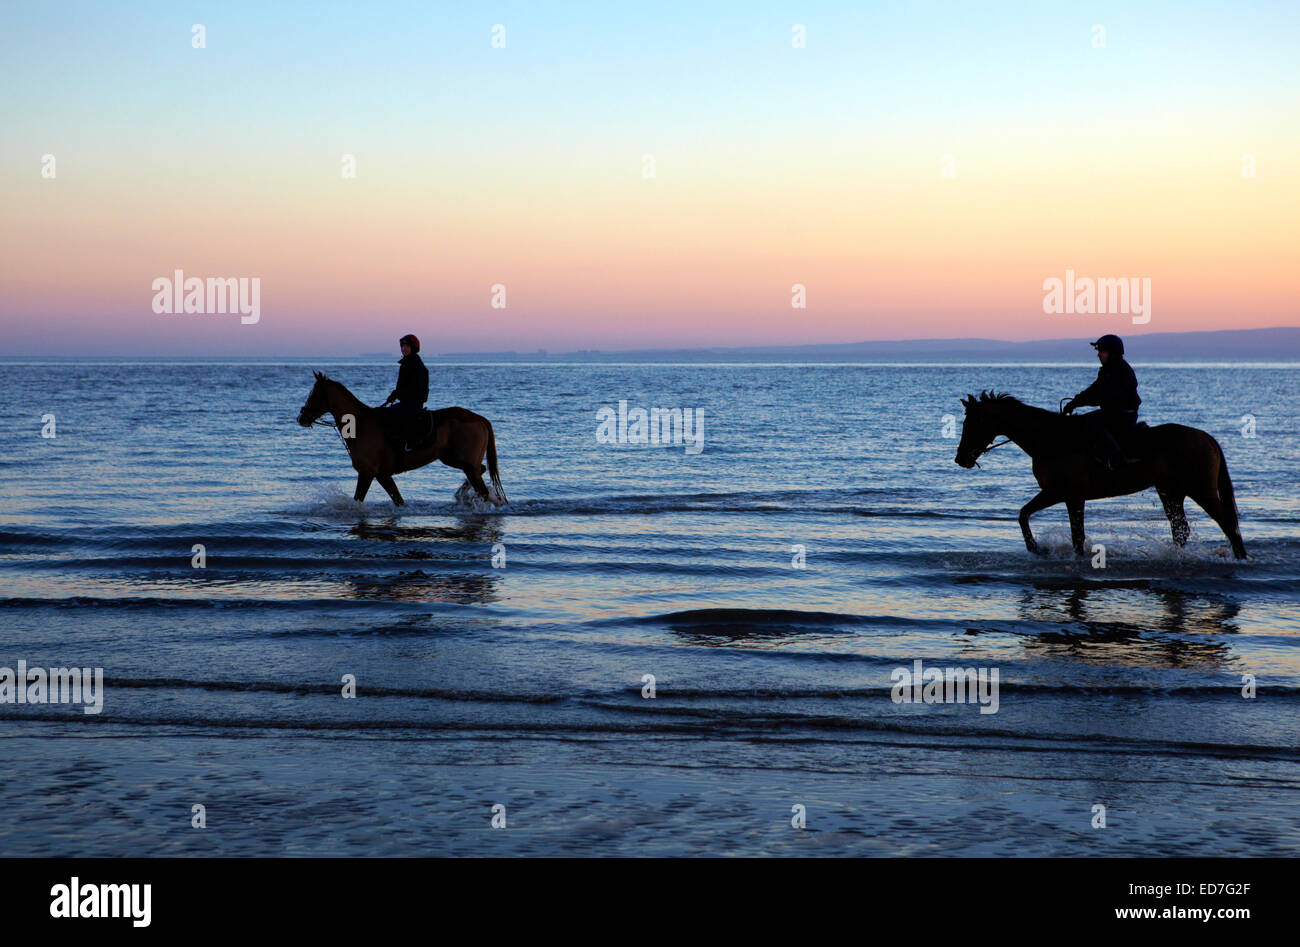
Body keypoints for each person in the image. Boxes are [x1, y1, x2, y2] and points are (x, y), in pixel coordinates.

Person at [1063, 334, 1141, 470]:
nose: (1098, 355)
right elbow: (1094, 389)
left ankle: (1119, 461)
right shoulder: (1107, 370)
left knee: (1093, 425)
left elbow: (1106, 396)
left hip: (1122, 416)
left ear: (1113, 353)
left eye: (1102, 352)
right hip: (1111, 413)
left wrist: (1079, 403)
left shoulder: (1121, 371)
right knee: (1081, 423)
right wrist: (1074, 402)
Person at [381, 334, 429, 451]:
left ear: (413, 348)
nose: (404, 348)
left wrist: (398, 393)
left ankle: (405, 444)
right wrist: (394, 394)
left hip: (413, 403)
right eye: (402, 346)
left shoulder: (415, 364)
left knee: (388, 416)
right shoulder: (407, 363)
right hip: (407, 401)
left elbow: (415, 387)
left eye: (407, 346)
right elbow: (403, 386)